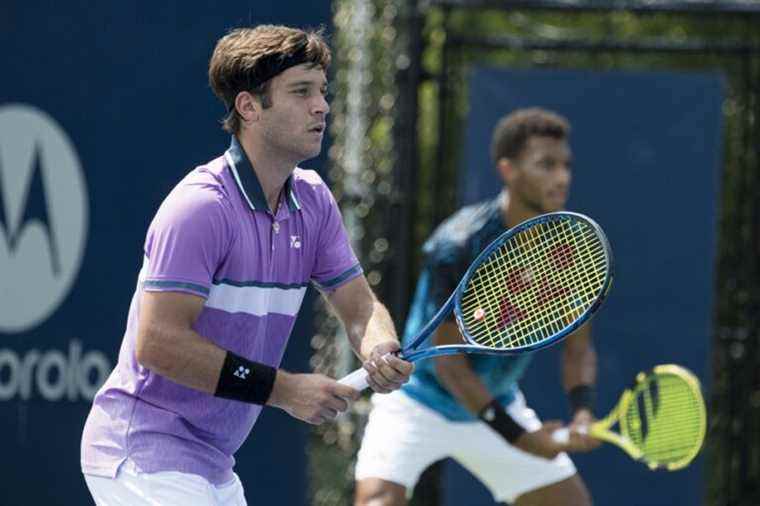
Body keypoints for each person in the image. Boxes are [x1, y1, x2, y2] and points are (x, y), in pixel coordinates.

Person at [80, 25, 413, 505]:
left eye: (322, 91)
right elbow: (159, 342)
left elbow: (359, 306)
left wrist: (379, 346)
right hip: (140, 454)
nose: (322, 106)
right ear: (249, 107)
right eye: (301, 92)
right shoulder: (201, 207)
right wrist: (285, 390)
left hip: (212, 464)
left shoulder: (314, 201)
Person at [354, 108, 600, 506]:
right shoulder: (458, 244)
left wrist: (583, 411)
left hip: (496, 398)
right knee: (377, 503)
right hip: (419, 398)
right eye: (546, 165)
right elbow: (451, 367)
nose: (561, 177)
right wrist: (521, 439)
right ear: (508, 170)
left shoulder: (570, 252)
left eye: (565, 165)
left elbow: (579, 347)